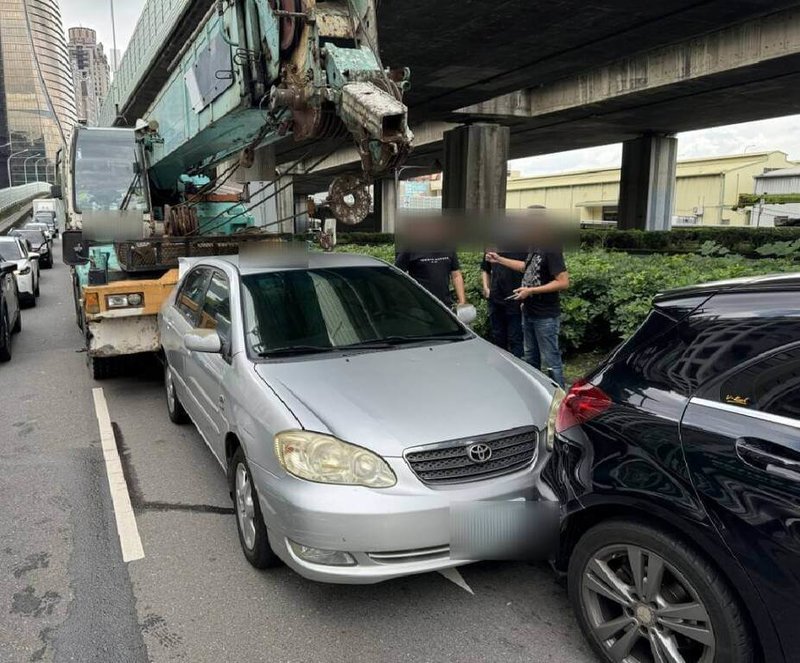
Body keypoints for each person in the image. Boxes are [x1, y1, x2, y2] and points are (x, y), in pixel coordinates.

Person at [485, 245, 569, 387]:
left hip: (545, 315)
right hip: (529, 311)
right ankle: (535, 391)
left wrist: (531, 291)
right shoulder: (534, 249)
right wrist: (499, 259)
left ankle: (560, 398)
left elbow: (563, 282)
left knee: (550, 360)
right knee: (531, 357)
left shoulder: (551, 249)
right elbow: (524, 267)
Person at [480, 248, 527, 357]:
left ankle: (518, 369)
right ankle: (501, 368)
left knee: (515, 338)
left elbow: (527, 268)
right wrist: (486, 288)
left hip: (516, 298)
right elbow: (485, 269)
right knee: (498, 337)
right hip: (495, 300)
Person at [395, 251, 466, 308]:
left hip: (445, 307)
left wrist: (462, 301)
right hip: (420, 306)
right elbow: (397, 275)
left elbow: (456, 275)